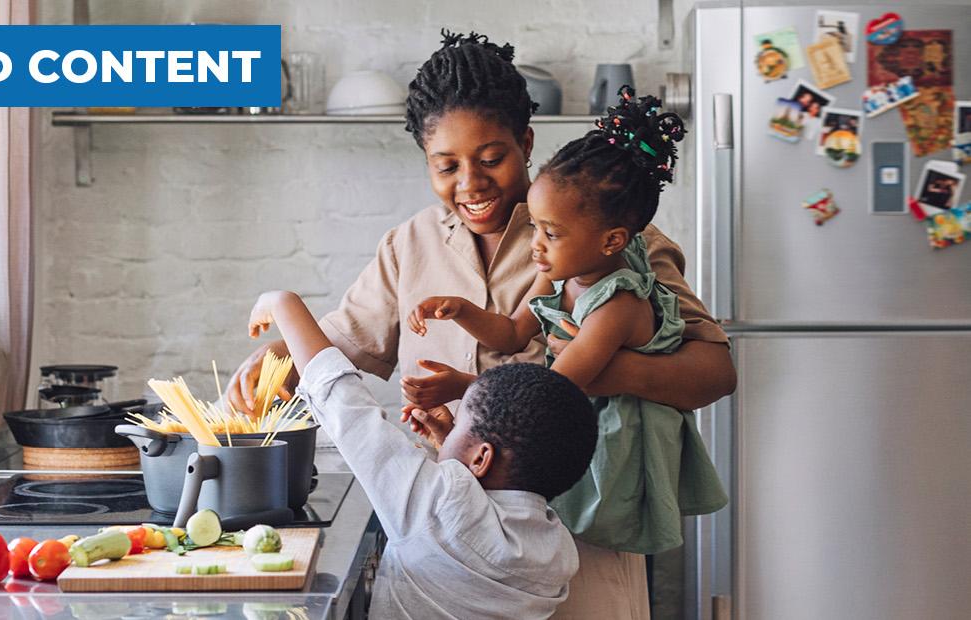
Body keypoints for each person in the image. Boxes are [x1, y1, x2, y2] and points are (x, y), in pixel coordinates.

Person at [226, 30, 735, 617]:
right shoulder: (408, 244)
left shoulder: (611, 240)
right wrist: (279, 356)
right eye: (446, 166)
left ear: (526, 141)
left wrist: (594, 371)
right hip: (449, 552)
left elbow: (713, 370)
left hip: (581, 536)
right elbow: (350, 337)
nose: (470, 183)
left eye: (491, 158)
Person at [410, 86, 728, 561]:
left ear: (611, 240)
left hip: (608, 452)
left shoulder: (616, 302)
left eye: (549, 232)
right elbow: (514, 332)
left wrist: (464, 387)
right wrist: (462, 310)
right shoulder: (561, 271)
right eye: (534, 227)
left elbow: (552, 391)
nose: (535, 244)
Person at [247, 289, 598, 620]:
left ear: (481, 459)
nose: (453, 423)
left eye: (460, 421)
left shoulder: (442, 503)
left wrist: (283, 303)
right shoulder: (557, 550)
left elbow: (344, 403)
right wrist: (450, 447)